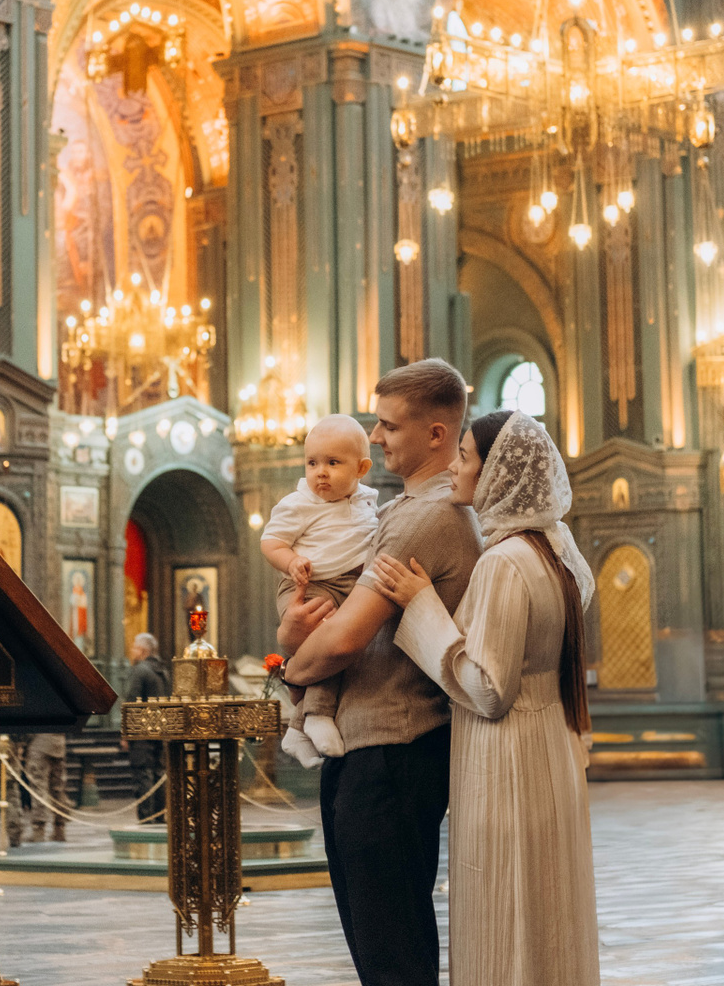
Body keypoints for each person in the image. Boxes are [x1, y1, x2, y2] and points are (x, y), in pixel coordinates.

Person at [370, 409, 599, 986]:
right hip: (550, 750)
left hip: (508, 759)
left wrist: (422, 605)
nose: (454, 467)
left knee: (505, 910)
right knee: (546, 913)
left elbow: (490, 689)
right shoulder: (553, 551)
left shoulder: (503, 562)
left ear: (498, 473)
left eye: (466, 457)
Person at [281, 359, 482, 986]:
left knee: (390, 951)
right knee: (382, 944)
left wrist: (290, 670)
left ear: (437, 433)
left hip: (393, 750)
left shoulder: (428, 515)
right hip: (376, 747)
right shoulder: (404, 508)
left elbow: (343, 639)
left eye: (389, 426)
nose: (374, 436)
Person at [260, 414, 380, 767]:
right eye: (312, 463)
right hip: (308, 585)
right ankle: (316, 715)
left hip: (349, 585)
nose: (320, 473)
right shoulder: (299, 504)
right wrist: (292, 561)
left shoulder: (368, 501)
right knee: (329, 645)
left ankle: (298, 729)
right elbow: (271, 542)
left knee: (345, 647)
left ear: (361, 468)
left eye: (333, 463)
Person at [123, 632, 171, 823]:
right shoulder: (162, 671)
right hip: (160, 731)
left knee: (143, 775)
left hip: (141, 732)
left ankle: (146, 819)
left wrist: (126, 733)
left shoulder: (140, 671)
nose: (132, 650)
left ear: (142, 650)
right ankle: (159, 817)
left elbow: (131, 703)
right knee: (158, 774)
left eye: (135, 647)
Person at [23, 732, 69, 842]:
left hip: (39, 744)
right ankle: (59, 829)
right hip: (59, 743)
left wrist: (22, 743)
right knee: (58, 789)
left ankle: (39, 830)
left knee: (38, 788)